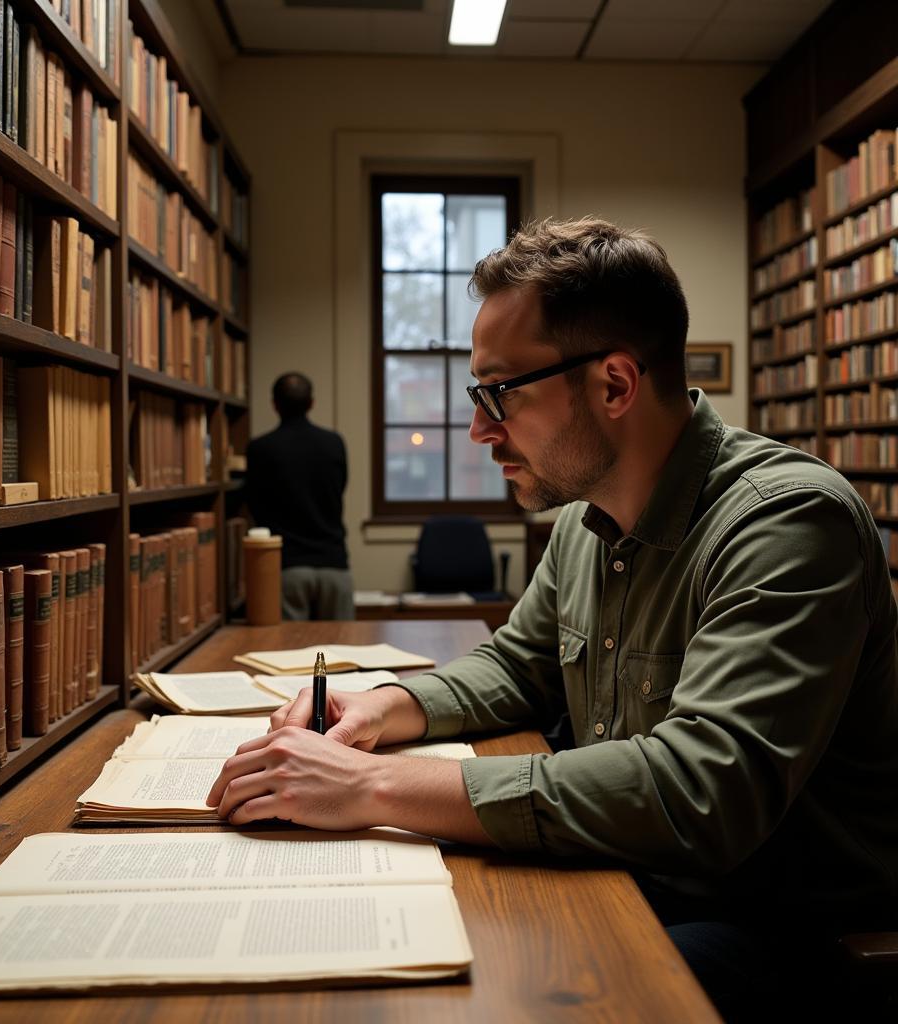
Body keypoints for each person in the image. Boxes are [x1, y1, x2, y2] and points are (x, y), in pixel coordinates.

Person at [210, 218, 898, 1018]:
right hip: (638, 874)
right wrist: (378, 709)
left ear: (613, 385)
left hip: (781, 923)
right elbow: (516, 665)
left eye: (500, 392)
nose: (477, 427)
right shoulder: (584, 518)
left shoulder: (786, 522)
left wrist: (373, 784)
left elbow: (698, 792)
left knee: (534, 999)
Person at [245, 372, 354, 620]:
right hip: (334, 564)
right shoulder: (334, 443)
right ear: (311, 403)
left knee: (290, 650)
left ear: (274, 405)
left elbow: (254, 503)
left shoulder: (260, 449)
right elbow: (340, 487)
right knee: (340, 652)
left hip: (287, 566)